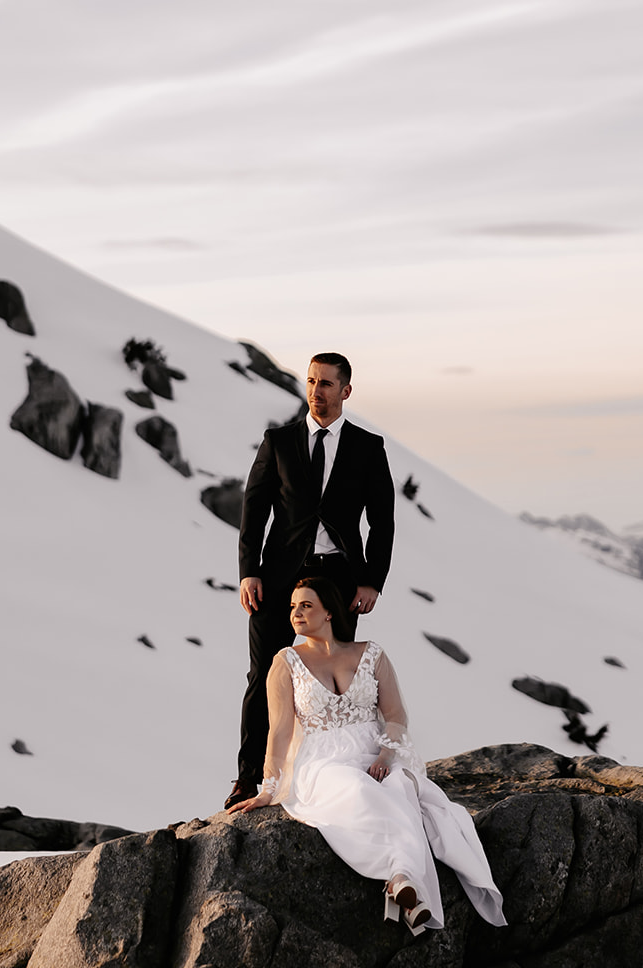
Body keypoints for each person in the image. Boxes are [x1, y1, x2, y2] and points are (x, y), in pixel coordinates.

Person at [229, 577, 506, 938]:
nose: (296, 612)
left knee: (401, 791)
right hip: (322, 761)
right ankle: (402, 880)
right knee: (358, 790)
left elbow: (394, 716)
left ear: (329, 611)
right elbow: (279, 730)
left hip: (376, 750)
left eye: (306, 605)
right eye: (293, 607)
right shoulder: (286, 662)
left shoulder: (371, 653)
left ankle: (401, 879)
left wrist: (387, 755)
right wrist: (269, 787)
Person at [226, 353, 395, 809]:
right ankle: (249, 780)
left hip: (339, 580)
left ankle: (333, 774)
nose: (316, 391)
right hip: (278, 579)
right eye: (311, 382)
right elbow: (253, 510)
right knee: (264, 675)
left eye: (326, 384)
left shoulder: (367, 447)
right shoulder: (278, 441)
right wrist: (249, 571)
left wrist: (371, 581)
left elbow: (382, 523)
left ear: (346, 391)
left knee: (334, 680)